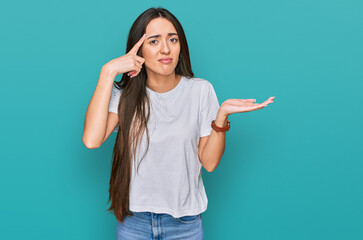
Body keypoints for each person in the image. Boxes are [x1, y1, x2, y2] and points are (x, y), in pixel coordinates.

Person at [83, 7, 275, 240]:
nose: (166, 49)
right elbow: (92, 140)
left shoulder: (200, 91)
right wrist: (108, 71)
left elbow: (210, 162)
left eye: (172, 39)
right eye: (154, 41)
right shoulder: (124, 95)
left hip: (184, 225)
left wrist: (221, 117)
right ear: (138, 49)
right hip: (134, 222)